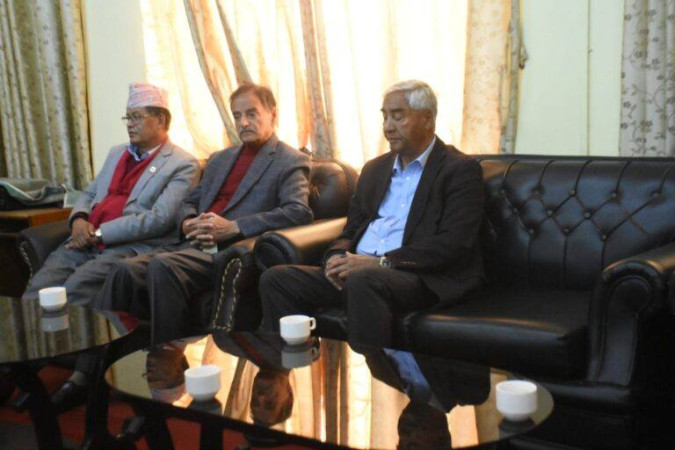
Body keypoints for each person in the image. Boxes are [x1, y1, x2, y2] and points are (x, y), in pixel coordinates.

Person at [259, 80, 485, 347]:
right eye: (385, 117)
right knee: (277, 279)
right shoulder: (374, 169)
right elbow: (351, 229)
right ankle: (290, 361)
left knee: (363, 280)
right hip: (360, 270)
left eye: (398, 116)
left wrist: (381, 263)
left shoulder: (460, 170)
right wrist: (335, 258)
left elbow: (453, 244)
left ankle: (375, 369)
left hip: (418, 276)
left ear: (427, 119)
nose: (388, 126)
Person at [95, 83, 313, 345]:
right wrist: (188, 222)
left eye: (251, 114)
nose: (243, 122)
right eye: (237, 115)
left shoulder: (290, 160)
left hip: (228, 252)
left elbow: (298, 212)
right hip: (190, 244)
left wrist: (234, 227)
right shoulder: (220, 159)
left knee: (163, 266)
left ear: (272, 114)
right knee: (123, 271)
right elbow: (190, 202)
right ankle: (110, 355)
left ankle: (168, 354)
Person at [22, 82, 199, 306]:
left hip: (128, 246)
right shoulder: (117, 152)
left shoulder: (182, 163)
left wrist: (100, 234)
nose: (130, 124)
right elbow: (89, 193)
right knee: (38, 290)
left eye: (137, 117)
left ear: (160, 120)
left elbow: (160, 218)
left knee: (74, 291)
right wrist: (78, 219)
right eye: (128, 118)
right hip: (85, 240)